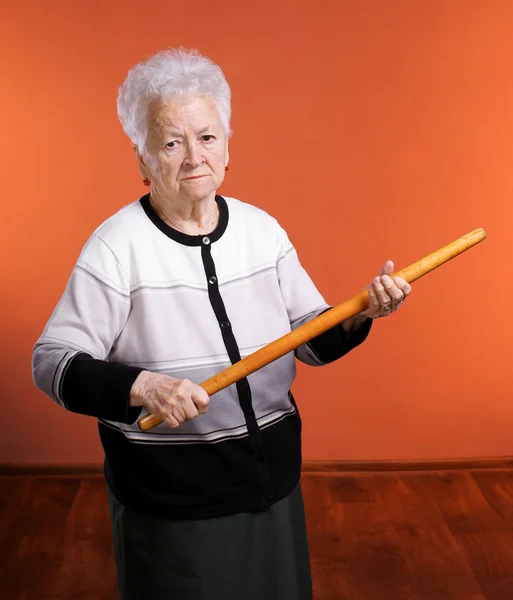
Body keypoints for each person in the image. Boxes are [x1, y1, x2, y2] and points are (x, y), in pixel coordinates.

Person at [32, 48, 411, 600]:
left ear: (228, 147)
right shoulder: (115, 248)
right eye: (171, 142)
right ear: (141, 158)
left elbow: (312, 341)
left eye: (207, 137)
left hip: (271, 486)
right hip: (172, 503)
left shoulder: (263, 231)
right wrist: (143, 387)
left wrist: (363, 313)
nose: (193, 157)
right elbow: (51, 362)